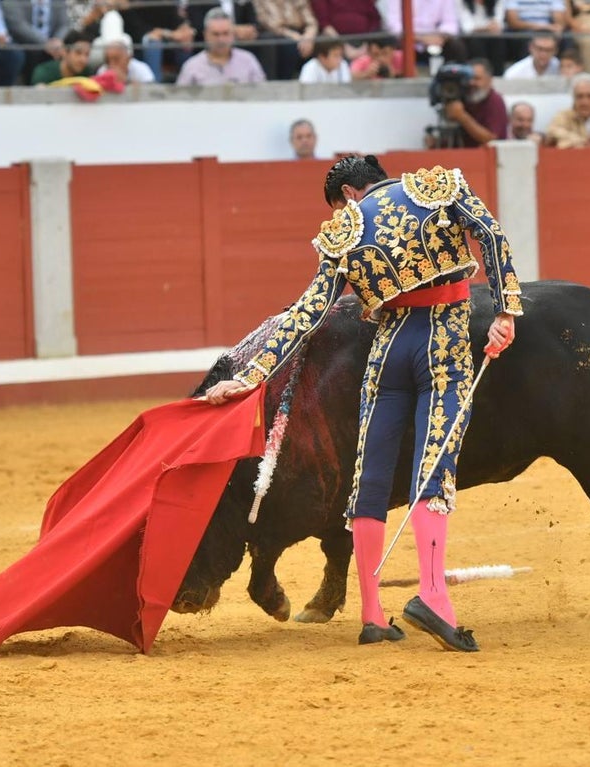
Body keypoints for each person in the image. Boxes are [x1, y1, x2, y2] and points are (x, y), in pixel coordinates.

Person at [200, 156, 522, 653]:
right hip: (442, 340)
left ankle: (373, 615)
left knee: (369, 480)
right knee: (433, 467)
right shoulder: (437, 186)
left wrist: (250, 376)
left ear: (349, 193)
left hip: (387, 351)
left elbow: (305, 313)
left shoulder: (345, 229)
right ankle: (434, 598)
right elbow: (492, 236)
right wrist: (505, 309)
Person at [175, 8, 266, 85]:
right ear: (205, 35)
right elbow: (180, 101)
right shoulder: (192, 66)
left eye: (225, 33)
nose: (221, 40)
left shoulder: (248, 61)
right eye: (216, 34)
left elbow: (263, 94)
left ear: (233, 34)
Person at [435, 58, 508, 148]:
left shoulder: (495, 101)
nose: (471, 83)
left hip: (485, 158)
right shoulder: (462, 97)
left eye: (477, 78)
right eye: (468, 78)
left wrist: (462, 116)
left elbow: (491, 140)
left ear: (489, 80)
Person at [1, 0, 71, 77]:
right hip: (25, 45)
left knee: (70, 51)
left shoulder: (58, 2)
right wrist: (46, 43)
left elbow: (64, 24)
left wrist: (58, 40)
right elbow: (17, 26)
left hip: (54, 47)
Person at [254, 0, 318, 80]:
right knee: (288, 46)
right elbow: (268, 24)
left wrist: (308, 37)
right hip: (277, 33)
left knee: (322, 43)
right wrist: (296, 37)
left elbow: (311, 22)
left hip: (302, 33)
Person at [30, 29, 95, 84]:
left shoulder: (87, 73)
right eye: (78, 53)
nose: (83, 60)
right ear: (64, 51)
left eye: (87, 54)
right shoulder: (44, 72)